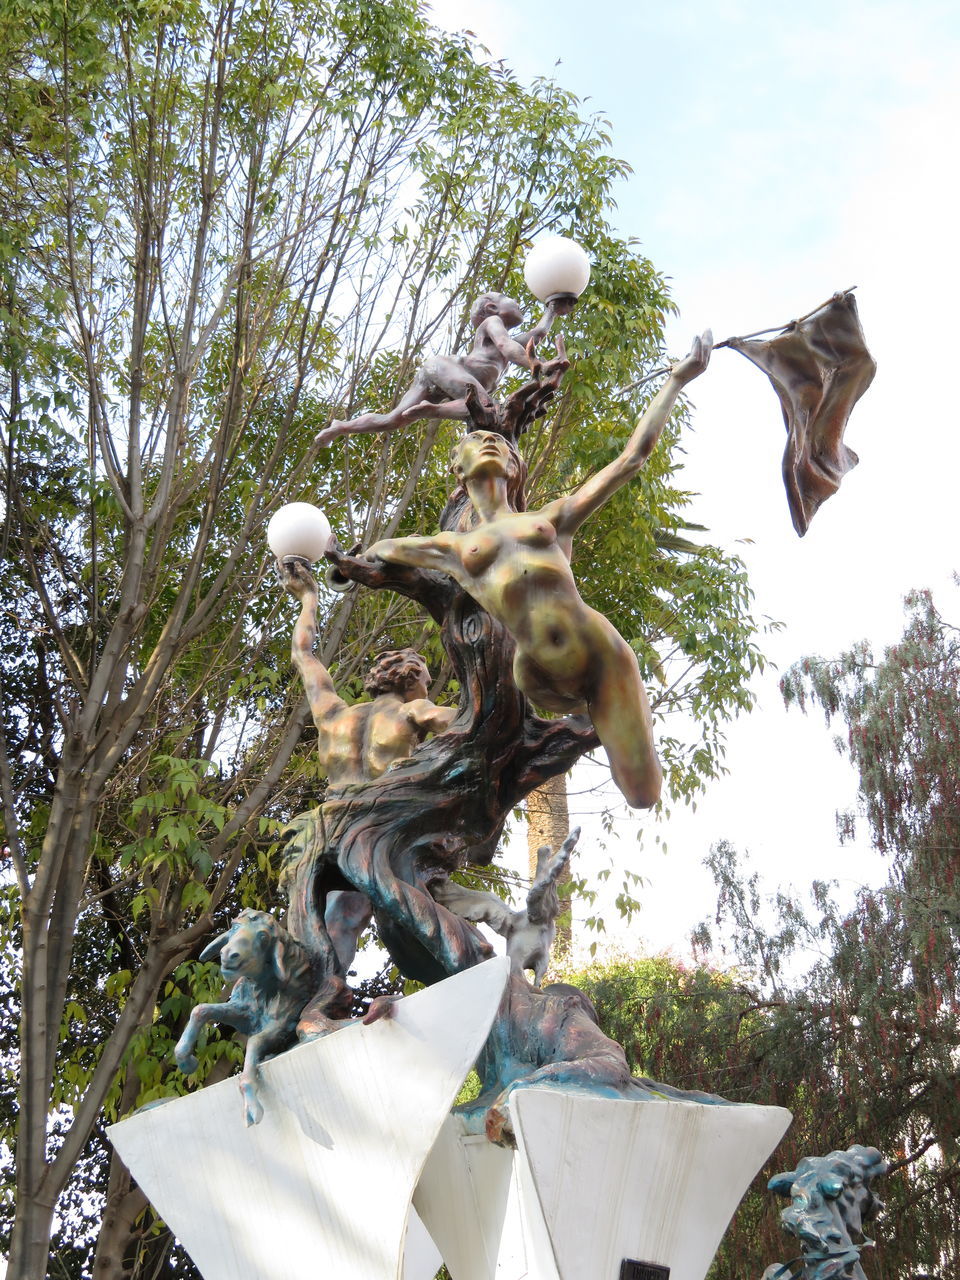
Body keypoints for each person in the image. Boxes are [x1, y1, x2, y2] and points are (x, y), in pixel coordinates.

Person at [357, 333, 713, 809]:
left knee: (643, 794)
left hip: (600, 652)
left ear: (513, 462)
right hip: (540, 674)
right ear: (458, 470)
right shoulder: (453, 548)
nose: (488, 443)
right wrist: (347, 565)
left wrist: (676, 379)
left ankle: (598, 718)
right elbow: (386, 548)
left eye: (496, 442)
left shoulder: (548, 519)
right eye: (477, 441)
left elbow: (631, 459)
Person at [278, 559, 457, 968]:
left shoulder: (333, 713)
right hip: (378, 823)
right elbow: (462, 725)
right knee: (421, 910)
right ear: (412, 679)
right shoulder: (414, 711)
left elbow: (304, 654)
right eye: (426, 680)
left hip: (325, 826)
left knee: (341, 916)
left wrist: (308, 598)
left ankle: (327, 988)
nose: (426, 687)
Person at [316, 293, 572, 446]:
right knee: (484, 405)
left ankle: (341, 427)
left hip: (440, 373)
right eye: (513, 302)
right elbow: (506, 346)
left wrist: (552, 310)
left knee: (395, 419)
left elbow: (537, 334)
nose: (519, 308)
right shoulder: (493, 323)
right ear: (493, 308)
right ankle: (434, 410)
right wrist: (535, 364)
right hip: (446, 368)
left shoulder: (512, 340)